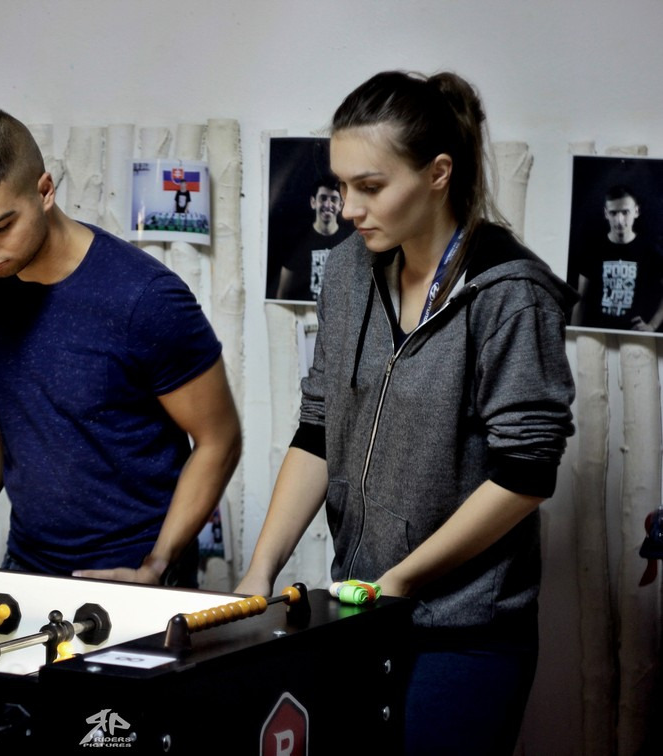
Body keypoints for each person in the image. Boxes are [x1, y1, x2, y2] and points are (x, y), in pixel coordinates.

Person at [237, 71, 576, 755]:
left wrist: (401, 580)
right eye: (341, 186)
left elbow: (526, 473)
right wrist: (258, 572)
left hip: (465, 633)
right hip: (361, 615)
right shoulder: (346, 271)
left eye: (370, 186)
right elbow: (318, 428)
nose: (348, 208)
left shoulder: (511, 293)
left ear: (437, 174)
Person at [0, 105, 241, 587]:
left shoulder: (145, 298)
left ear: (45, 191)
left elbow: (219, 439)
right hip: (27, 561)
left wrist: (157, 564)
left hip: (135, 569)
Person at [571, 185, 663, 332]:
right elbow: (581, 300)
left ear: (636, 211)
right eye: (613, 213)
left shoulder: (650, 251)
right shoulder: (593, 249)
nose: (619, 220)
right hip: (599, 332)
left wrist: (652, 326)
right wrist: (573, 336)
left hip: (634, 334)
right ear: (606, 214)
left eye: (625, 212)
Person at [273, 175, 354, 301]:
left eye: (333, 199)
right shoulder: (298, 240)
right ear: (313, 202)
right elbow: (282, 293)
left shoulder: (351, 241)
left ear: (340, 205)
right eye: (323, 198)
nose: (328, 204)